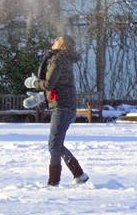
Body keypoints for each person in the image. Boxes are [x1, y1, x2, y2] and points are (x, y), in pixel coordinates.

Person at [24, 34, 89, 186]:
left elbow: (49, 84)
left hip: (63, 107)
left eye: (58, 39)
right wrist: (42, 97)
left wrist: (34, 82)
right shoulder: (62, 59)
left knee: (54, 144)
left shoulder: (58, 59)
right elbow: (58, 85)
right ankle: (79, 174)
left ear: (64, 46)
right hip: (65, 106)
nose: (54, 40)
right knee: (56, 144)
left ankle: (53, 182)